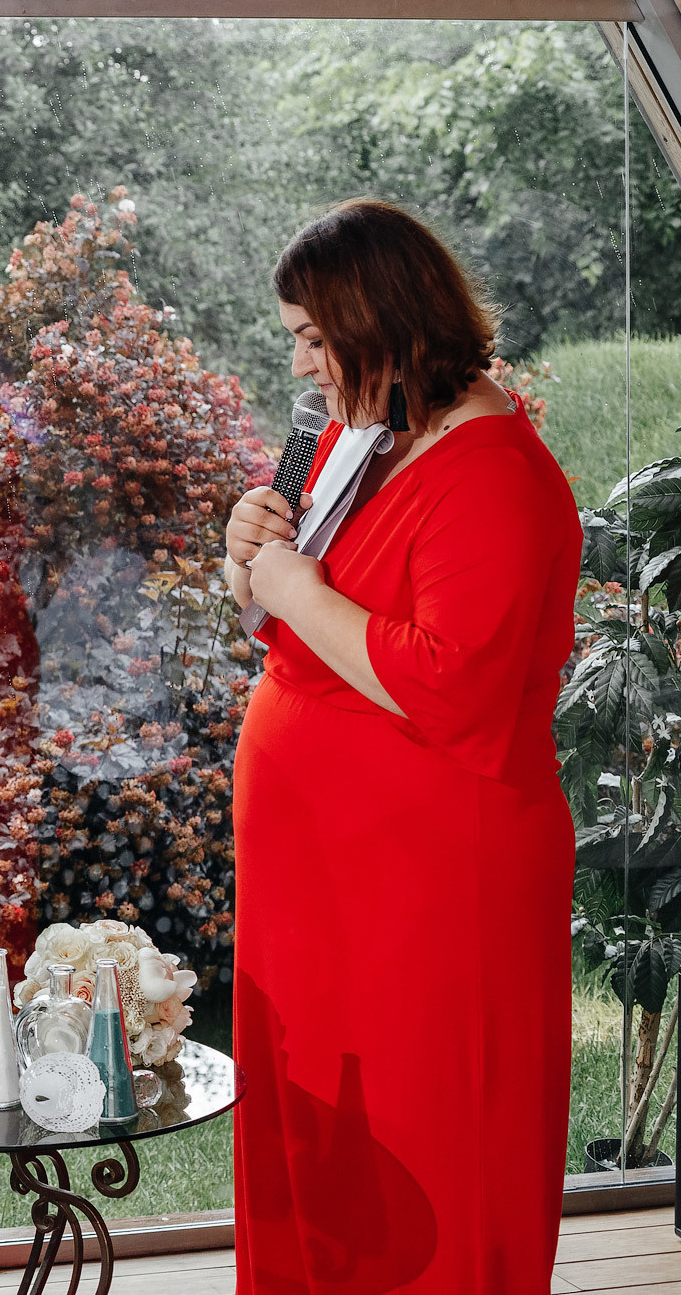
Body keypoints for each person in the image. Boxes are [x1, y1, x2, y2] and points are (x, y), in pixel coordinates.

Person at [225, 199, 579, 1293]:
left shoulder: (492, 476)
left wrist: (291, 585)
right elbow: (278, 619)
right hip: (322, 882)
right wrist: (247, 557)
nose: (298, 363)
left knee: (430, 1143)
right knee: (320, 1150)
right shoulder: (357, 438)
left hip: (426, 893)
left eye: (308, 338)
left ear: (378, 322)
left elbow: (447, 684)